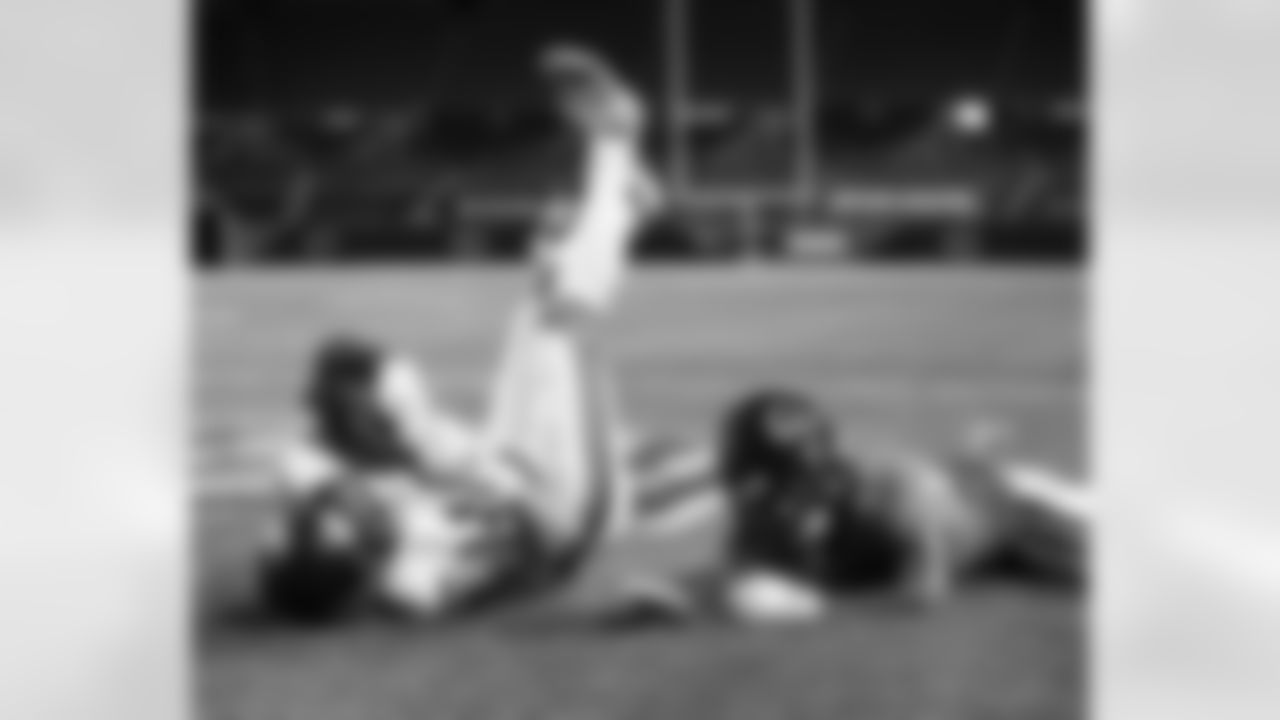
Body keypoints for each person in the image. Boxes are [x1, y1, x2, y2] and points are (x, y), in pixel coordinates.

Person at [256, 43, 694, 623]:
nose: (352, 496)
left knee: (546, 274)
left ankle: (623, 206)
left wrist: (328, 488)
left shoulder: (373, 523)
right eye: (351, 513)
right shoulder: (414, 574)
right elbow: (453, 540)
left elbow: (339, 477)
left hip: (508, 466)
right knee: (561, 313)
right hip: (562, 508)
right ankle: (616, 141)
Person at [612, 388, 1089, 625]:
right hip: (935, 504)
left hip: (1008, 512)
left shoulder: (899, 492)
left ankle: (979, 461)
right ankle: (970, 454)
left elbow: (922, 590)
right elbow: (743, 568)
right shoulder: (774, 502)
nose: (750, 496)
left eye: (762, 482)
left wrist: (816, 605)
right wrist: (678, 597)